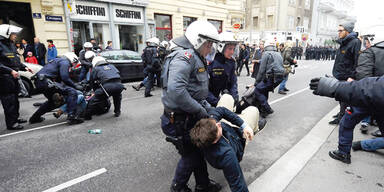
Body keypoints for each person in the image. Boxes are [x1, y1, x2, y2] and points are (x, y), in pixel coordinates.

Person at [160, 20, 222, 192]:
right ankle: (178, 187)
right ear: (197, 40)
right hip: (180, 120)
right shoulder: (184, 56)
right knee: (191, 154)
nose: (210, 49)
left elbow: (195, 90)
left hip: (187, 117)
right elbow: (177, 91)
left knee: (197, 151)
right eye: (208, 44)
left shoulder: (194, 56)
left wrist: (208, 107)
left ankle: (203, 184)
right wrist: (201, 110)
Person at [309, 75, 384, 164]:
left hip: (365, 93)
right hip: (369, 92)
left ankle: (343, 153)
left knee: (347, 122)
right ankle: (359, 144)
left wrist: (337, 87)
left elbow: (375, 88)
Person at [190, 107, 254, 192]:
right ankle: (254, 128)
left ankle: (243, 126)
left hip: (231, 133)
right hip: (238, 143)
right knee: (253, 111)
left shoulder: (206, 128)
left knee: (226, 97)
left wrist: (243, 125)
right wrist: (247, 127)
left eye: (216, 123)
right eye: (217, 128)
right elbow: (238, 185)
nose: (218, 124)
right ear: (215, 141)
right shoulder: (227, 155)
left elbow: (222, 110)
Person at [29, 52, 84, 125]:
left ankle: (34, 118)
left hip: (40, 82)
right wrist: (75, 86)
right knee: (72, 92)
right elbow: (65, 78)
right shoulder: (65, 62)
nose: (73, 65)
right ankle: (72, 117)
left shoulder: (56, 61)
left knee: (52, 102)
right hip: (46, 81)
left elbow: (59, 80)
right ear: (72, 59)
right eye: (74, 62)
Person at [0, 24, 33, 130]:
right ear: (6, 34)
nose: (15, 36)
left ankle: (15, 118)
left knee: (15, 99)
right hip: (4, 77)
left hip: (13, 77)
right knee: (9, 100)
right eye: (13, 34)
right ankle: (11, 123)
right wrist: (10, 71)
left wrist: (24, 67)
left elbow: (15, 60)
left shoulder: (11, 44)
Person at [329, 21, 361, 125]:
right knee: (340, 97)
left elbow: (357, 61)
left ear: (347, 31)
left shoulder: (355, 42)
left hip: (347, 77)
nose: (338, 32)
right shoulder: (344, 42)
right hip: (341, 75)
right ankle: (341, 113)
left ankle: (342, 118)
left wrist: (352, 76)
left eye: (340, 30)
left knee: (344, 98)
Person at [253, 41, 285, 117]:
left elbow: (261, 70)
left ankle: (267, 108)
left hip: (272, 77)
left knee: (257, 90)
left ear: (265, 48)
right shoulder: (278, 53)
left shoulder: (266, 54)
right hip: (280, 77)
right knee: (264, 89)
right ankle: (264, 110)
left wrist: (256, 82)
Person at [207, 31, 239, 107]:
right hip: (210, 101)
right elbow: (203, 89)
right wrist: (217, 102)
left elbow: (233, 82)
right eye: (230, 49)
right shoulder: (210, 62)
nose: (232, 52)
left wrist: (234, 97)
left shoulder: (231, 62)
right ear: (221, 47)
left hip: (223, 99)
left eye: (233, 49)